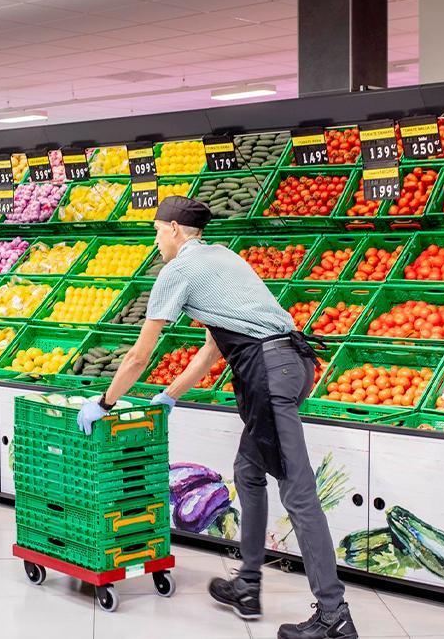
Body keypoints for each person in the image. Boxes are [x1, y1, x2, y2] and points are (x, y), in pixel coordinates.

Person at [76, 196, 357, 639]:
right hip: (293, 365)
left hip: (269, 374)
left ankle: (333, 613)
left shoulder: (179, 270)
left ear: (172, 229)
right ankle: (248, 584)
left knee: (299, 495)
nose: (155, 242)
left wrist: (107, 402)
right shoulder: (222, 257)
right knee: (248, 471)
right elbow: (212, 349)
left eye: (155, 231)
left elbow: (139, 354)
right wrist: (168, 396)